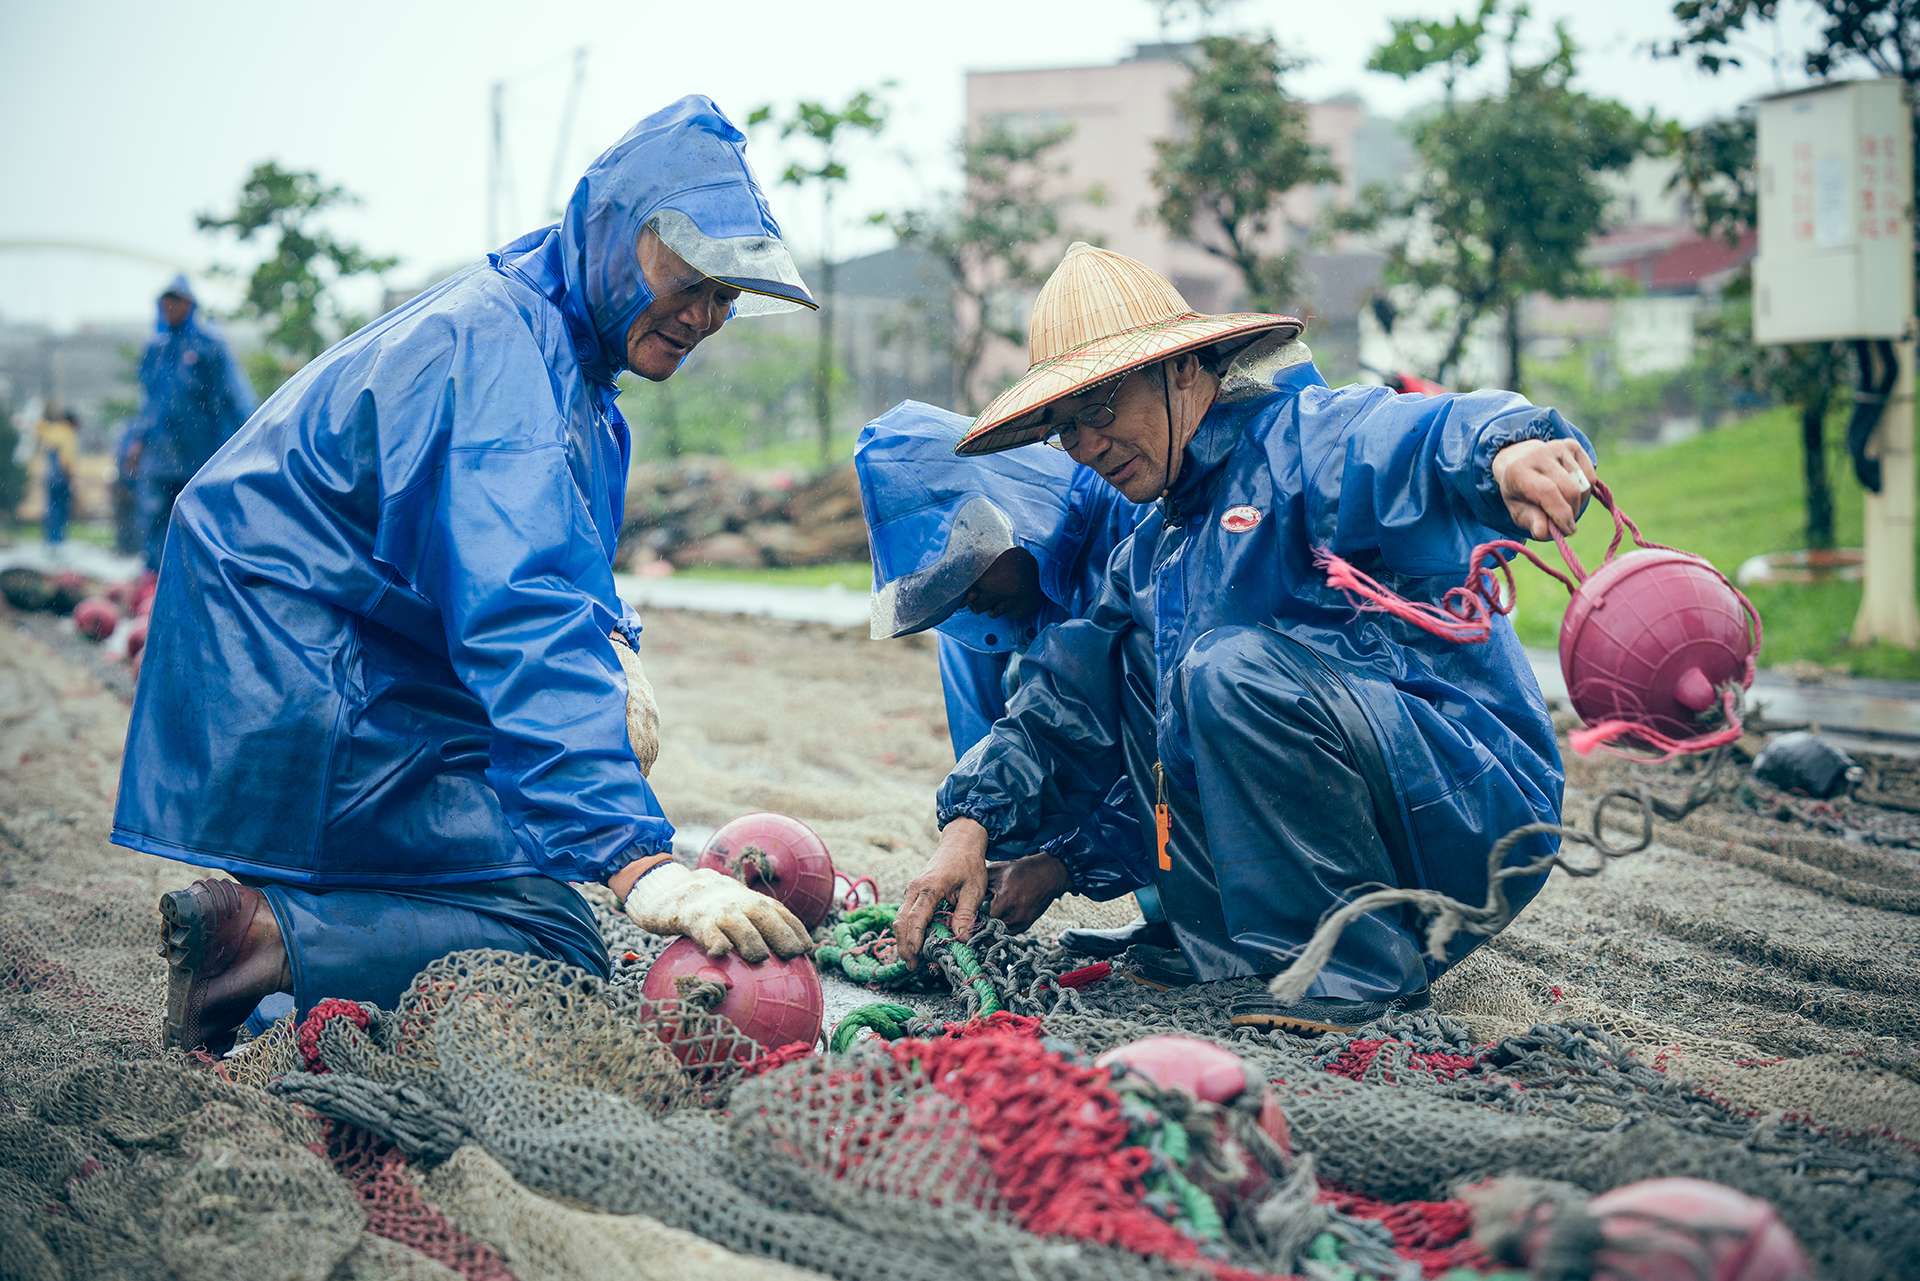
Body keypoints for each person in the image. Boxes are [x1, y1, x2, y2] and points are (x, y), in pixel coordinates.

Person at [115, 96, 815, 1054]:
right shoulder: (504, 364)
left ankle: (295, 929)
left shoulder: (563, 365)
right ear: (614, 237)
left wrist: (615, 643)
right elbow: (519, 611)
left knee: (527, 846)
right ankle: (264, 939)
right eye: (687, 276)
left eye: (727, 293)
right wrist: (638, 861)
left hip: (327, 646)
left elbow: (553, 563)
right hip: (298, 664)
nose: (703, 314)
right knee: (555, 935)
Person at [893, 243, 1598, 1035]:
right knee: (1131, 658)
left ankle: (1353, 968)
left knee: (1224, 668)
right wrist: (970, 823)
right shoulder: (1154, 550)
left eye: (1099, 409)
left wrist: (1507, 452)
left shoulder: (1302, 440)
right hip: (1388, 804)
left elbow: (1407, 436)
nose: (1085, 446)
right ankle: (1223, 948)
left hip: (1469, 803)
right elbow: (1064, 700)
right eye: (1065, 428)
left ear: (1183, 370)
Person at [855, 400, 1163, 939]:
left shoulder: (1131, 516)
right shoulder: (978, 624)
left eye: (967, 570)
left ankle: (1183, 911)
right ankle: (1169, 913)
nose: (966, 600)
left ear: (1007, 510)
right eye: (943, 589)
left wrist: (1063, 865)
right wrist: (973, 841)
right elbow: (988, 755)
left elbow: (1181, 753)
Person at [128, 276, 256, 570]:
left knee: (198, 516)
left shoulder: (209, 345)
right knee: (156, 515)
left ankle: (196, 577)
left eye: (177, 301)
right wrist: (137, 439)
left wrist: (251, 436)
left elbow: (234, 394)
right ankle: (155, 579)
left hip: (199, 449)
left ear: (190, 304)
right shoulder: (156, 350)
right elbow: (149, 401)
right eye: (166, 302)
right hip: (161, 453)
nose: (170, 307)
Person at [35, 405, 78, 548]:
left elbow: (39, 427)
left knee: (51, 508)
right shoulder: (67, 433)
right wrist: (71, 476)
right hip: (61, 478)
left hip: (50, 477)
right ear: (72, 422)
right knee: (61, 509)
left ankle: (50, 538)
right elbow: (66, 459)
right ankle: (58, 540)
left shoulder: (52, 430)